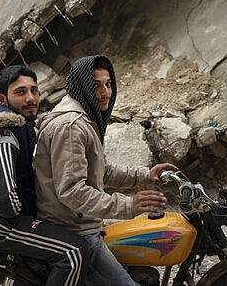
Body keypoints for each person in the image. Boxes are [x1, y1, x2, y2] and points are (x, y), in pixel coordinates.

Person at [34, 55, 178, 285]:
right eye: (96, 84)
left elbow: (100, 171)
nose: (105, 92)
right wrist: (127, 205)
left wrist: (145, 174)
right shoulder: (71, 126)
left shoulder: (84, 118)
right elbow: (72, 190)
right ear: (82, 86)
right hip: (74, 229)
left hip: (83, 223)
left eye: (108, 84)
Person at [0, 65, 89, 286]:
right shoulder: (3, 133)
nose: (31, 98)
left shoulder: (21, 125)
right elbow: (4, 202)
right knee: (74, 252)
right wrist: (30, 213)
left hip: (5, 216)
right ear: (2, 99)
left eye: (34, 90)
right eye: (20, 92)